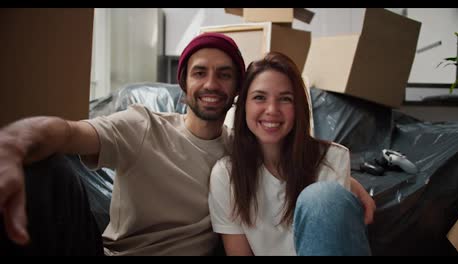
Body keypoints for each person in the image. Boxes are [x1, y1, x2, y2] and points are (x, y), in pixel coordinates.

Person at [0, 32, 246, 256]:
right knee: (45, 170)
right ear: (184, 84)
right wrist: (11, 145)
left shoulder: (241, 153)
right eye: (200, 73)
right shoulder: (143, 125)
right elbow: (69, 132)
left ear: (237, 88)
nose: (211, 84)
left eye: (224, 75)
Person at [208, 51, 376, 256]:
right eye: (259, 97)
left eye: (285, 99)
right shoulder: (226, 174)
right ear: (243, 106)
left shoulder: (332, 159)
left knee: (323, 196)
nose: (272, 109)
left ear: (298, 108)